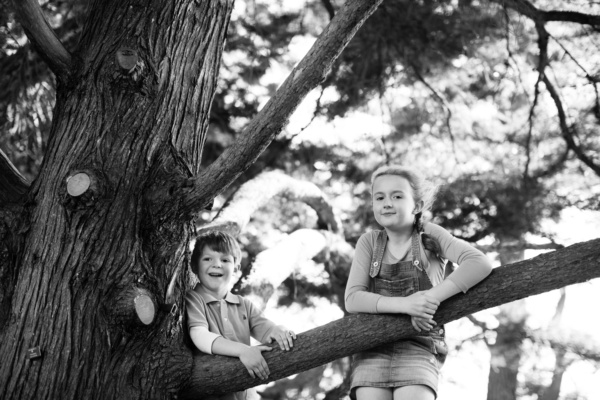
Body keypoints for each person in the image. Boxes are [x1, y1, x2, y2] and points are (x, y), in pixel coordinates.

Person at [345, 165, 493, 400]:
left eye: (397, 196)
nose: (387, 203)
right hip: (373, 348)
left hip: (421, 346)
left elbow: (479, 262)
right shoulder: (369, 242)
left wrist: (428, 299)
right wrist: (406, 305)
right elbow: (353, 299)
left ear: (417, 205)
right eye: (379, 197)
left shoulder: (429, 235)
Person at [185, 230, 296, 400]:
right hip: (210, 391)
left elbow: (266, 330)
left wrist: (278, 330)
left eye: (225, 260)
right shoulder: (193, 299)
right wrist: (244, 351)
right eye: (207, 259)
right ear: (194, 266)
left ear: (236, 267)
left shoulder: (244, 304)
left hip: (244, 392)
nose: (217, 264)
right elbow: (200, 336)